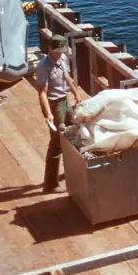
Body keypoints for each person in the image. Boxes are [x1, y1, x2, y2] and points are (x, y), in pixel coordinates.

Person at [36, 32, 85, 192]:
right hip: (54, 103)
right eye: (56, 52)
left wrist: (76, 93)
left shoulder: (63, 59)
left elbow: (67, 76)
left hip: (65, 100)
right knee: (57, 142)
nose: (59, 55)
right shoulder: (43, 66)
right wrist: (47, 113)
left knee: (74, 132)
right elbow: (42, 92)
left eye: (61, 51)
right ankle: (50, 184)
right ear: (49, 48)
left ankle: (74, 171)